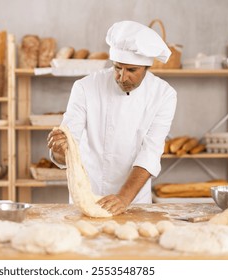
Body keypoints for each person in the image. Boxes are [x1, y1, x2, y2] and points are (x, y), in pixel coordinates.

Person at [47, 20, 177, 215]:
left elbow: (151, 152)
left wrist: (123, 198)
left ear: (147, 68)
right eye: (117, 68)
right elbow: (69, 143)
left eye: (131, 70)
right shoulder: (85, 87)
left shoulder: (164, 94)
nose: (122, 77)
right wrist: (59, 149)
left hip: (133, 199)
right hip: (87, 194)